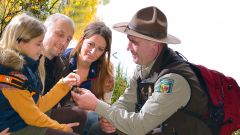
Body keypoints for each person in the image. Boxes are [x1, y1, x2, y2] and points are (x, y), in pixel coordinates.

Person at [71, 6, 211, 135]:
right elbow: (126, 101)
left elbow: (140, 126)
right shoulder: (143, 68)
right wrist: (108, 118)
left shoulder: (173, 80)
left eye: (134, 42)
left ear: (155, 45)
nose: (128, 47)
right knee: (99, 129)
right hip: (154, 129)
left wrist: (97, 105)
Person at [0, 13, 81, 135]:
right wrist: (61, 128)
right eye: (38, 44)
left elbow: (37, 105)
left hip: (21, 121)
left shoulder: (26, 68)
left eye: (68, 39)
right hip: (14, 128)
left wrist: (63, 85)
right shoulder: (11, 75)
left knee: (80, 116)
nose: (41, 48)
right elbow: (32, 116)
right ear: (20, 43)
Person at [61, 21, 114, 135]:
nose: (93, 52)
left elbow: (104, 105)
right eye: (91, 44)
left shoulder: (106, 74)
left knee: (99, 124)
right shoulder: (62, 60)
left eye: (100, 49)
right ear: (82, 40)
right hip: (60, 113)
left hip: (89, 118)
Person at [41, 13, 87, 134]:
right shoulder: (28, 57)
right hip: (22, 117)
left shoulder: (61, 64)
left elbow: (58, 97)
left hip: (42, 110)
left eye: (68, 39)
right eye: (60, 34)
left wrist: (74, 92)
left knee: (80, 115)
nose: (63, 42)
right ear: (44, 30)